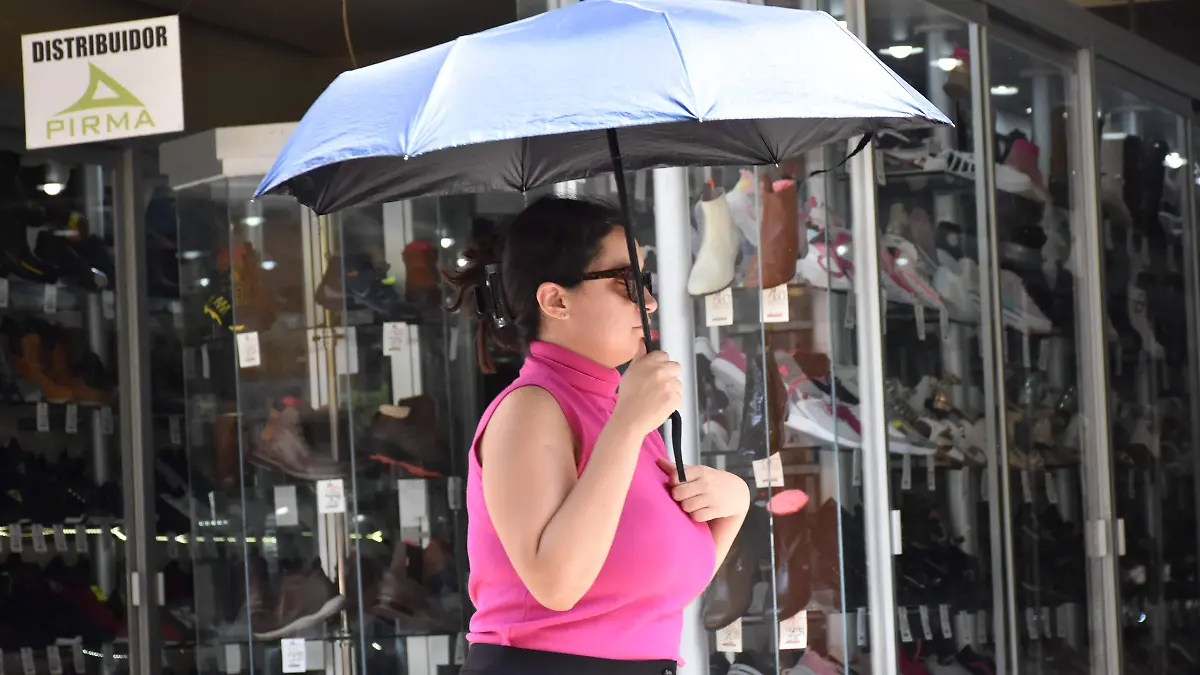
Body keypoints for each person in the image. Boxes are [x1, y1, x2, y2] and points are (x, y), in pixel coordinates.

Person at [443, 196, 751, 675]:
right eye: (627, 282)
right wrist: (627, 426)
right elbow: (557, 585)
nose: (648, 302)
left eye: (645, 282)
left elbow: (653, 593)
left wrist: (734, 506)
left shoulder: (616, 407)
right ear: (556, 300)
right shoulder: (532, 409)